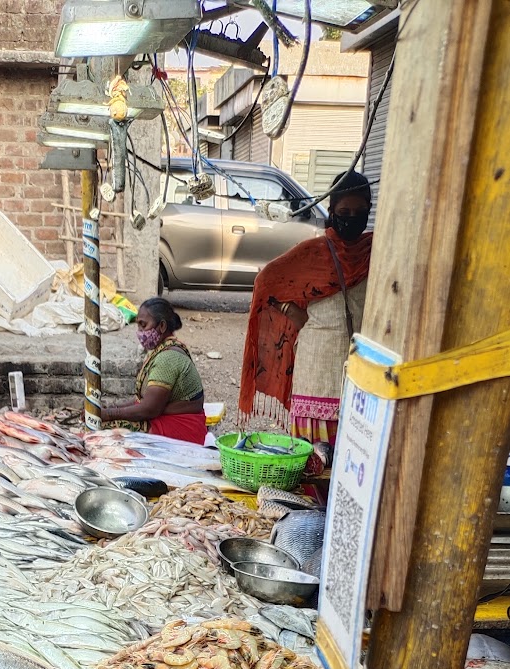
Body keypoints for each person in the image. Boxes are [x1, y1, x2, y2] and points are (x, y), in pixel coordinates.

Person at [238, 170, 373, 470]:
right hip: (316, 374)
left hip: (362, 373)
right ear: (332, 211)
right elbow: (267, 282)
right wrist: (295, 315)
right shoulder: (314, 253)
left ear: (369, 210)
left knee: (355, 463)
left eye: (359, 212)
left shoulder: (375, 252)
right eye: (345, 212)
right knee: (312, 467)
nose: (352, 218)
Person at [101, 298, 206, 444]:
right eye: (138, 326)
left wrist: (109, 414)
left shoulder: (167, 358)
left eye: (143, 325)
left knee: (104, 429)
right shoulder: (164, 349)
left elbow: (149, 409)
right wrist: (111, 409)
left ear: (162, 326)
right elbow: (142, 401)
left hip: (182, 429)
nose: (140, 332)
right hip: (175, 420)